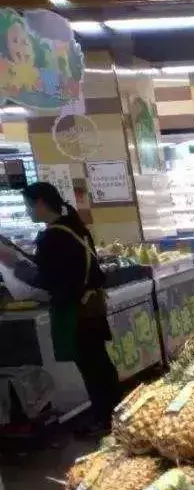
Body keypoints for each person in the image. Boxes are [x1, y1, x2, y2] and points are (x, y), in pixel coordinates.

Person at [2, 182, 121, 431]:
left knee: (91, 367)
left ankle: (104, 420)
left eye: (28, 206)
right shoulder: (75, 227)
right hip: (92, 308)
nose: (27, 212)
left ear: (41, 204)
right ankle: (116, 413)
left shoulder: (53, 236)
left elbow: (48, 279)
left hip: (76, 312)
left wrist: (16, 266)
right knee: (100, 364)